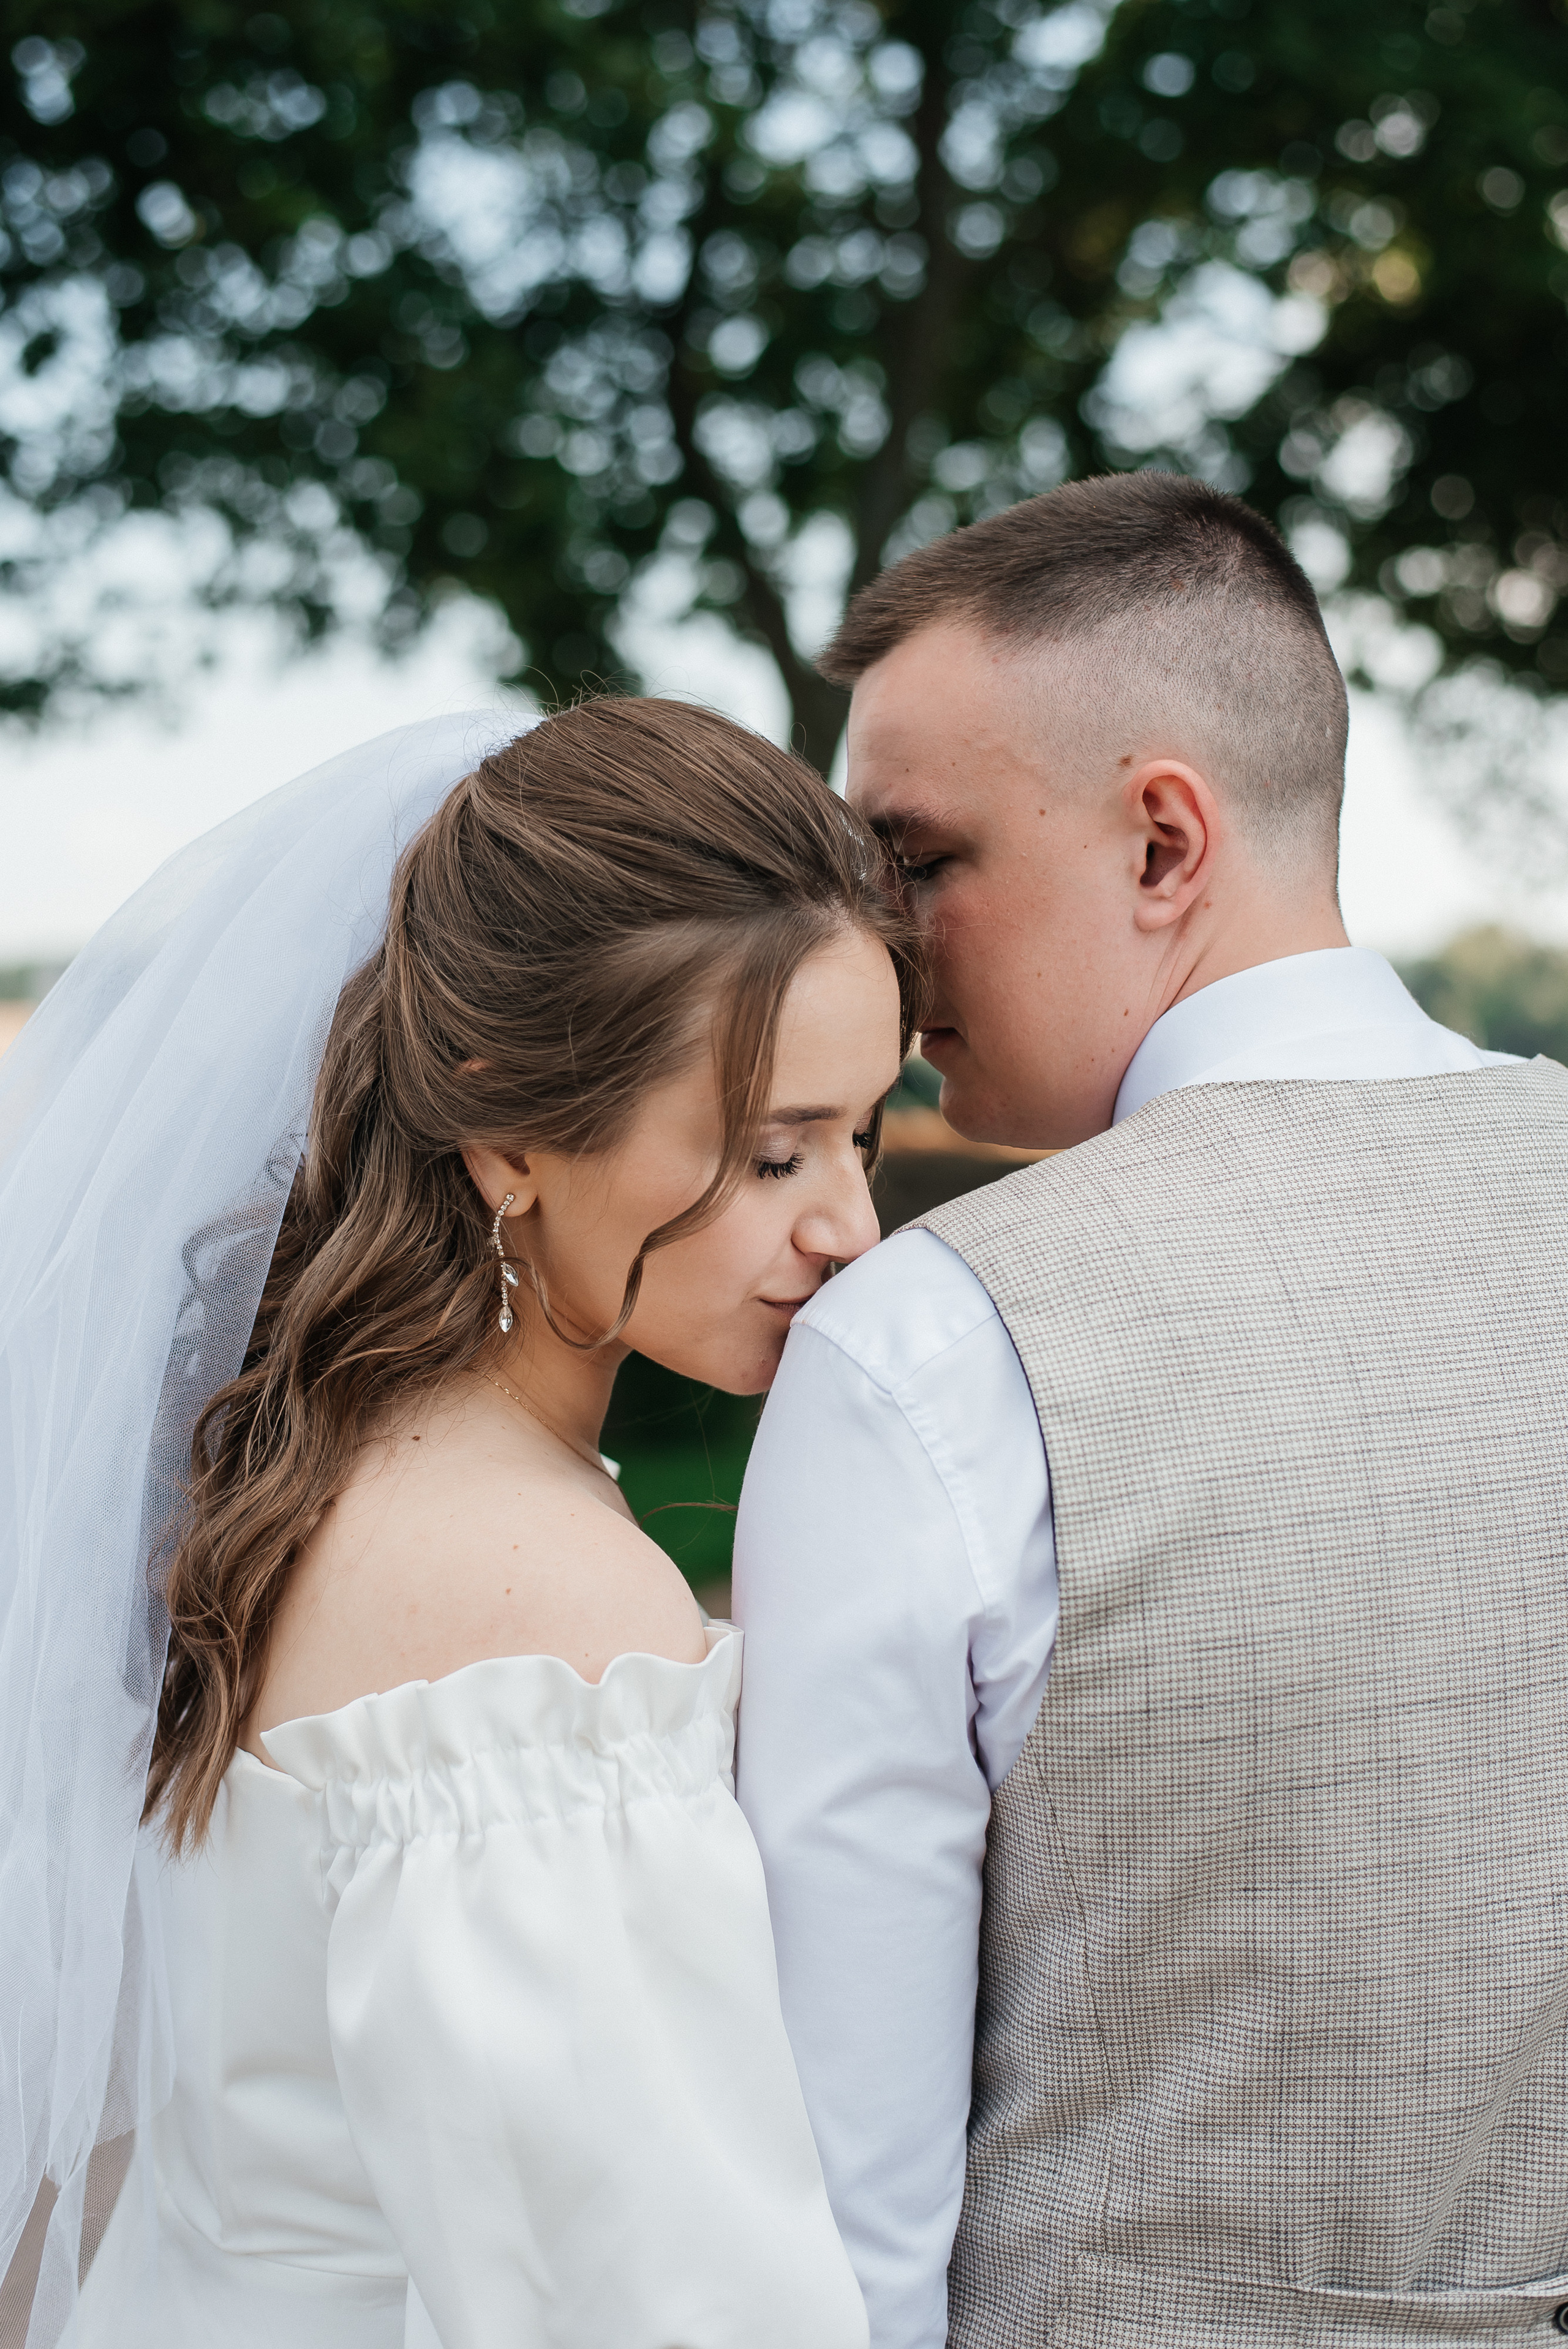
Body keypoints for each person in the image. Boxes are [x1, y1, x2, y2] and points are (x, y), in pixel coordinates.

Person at [733, 473, 1568, 2347]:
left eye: (920, 859)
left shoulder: (933, 1345)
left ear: (1164, 843)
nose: (879, 948)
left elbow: (839, 2228)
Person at [0, 696, 919, 2348]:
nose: (851, 1223)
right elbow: (667, 2306)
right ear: (504, 1127)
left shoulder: (311, 1459)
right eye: (775, 1152)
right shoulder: (536, 1619)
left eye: (864, 1133)